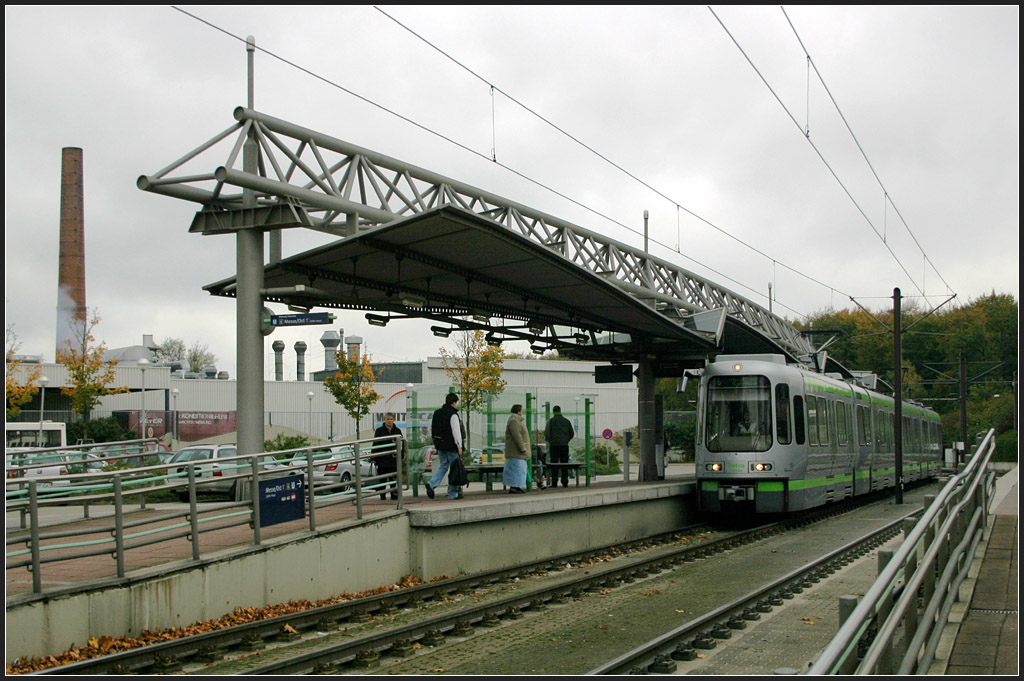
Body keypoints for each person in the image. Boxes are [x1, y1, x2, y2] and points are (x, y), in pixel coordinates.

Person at [426, 393, 465, 500]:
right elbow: (456, 431)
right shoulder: (453, 414)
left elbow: (431, 428)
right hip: (451, 446)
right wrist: (459, 445)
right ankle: (452, 494)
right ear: (453, 403)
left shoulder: (437, 413)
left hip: (440, 445)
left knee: (443, 465)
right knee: (454, 469)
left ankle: (432, 483)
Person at [372, 412, 403, 500]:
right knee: (383, 479)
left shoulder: (397, 431)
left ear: (393, 420)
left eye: (391, 419)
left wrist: (401, 456)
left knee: (394, 478)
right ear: (385, 420)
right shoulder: (379, 431)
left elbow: (402, 444)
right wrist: (373, 457)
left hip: (394, 459)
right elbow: (375, 444)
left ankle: (394, 495)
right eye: (387, 419)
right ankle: (382, 496)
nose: (389, 421)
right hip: (382, 459)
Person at [543, 405, 575, 488]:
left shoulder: (551, 421)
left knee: (554, 464)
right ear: (560, 411)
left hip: (554, 445)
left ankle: (554, 482)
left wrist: (550, 440)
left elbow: (546, 433)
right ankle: (565, 481)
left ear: (553, 412)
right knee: (564, 463)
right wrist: (566, 440)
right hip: (564, 445)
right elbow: (571, 433)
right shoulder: (566, 421)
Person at [503, 404, 530, 494]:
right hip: (516, 452)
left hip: (517, 453)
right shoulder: (514, 421)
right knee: (516, 470)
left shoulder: (515, 421)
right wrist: (522, 447)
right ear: (519, 411)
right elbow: (517, 436)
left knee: (519, 470)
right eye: (521, 411)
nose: (522, 413)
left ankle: (516, 486)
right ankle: (514, 487)